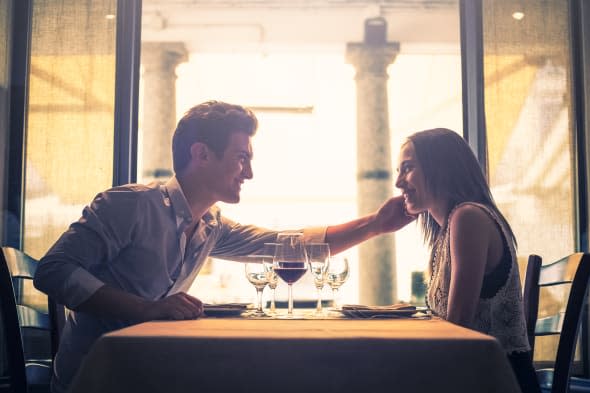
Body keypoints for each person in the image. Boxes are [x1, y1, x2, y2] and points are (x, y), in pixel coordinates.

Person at [33, 100, 412, 393]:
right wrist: (147, 309)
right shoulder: (128, 205)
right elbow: (53, 270)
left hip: (146, 371)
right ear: (201, 154)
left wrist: (376, 225)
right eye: (241, 158)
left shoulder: (211, 224)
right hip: (97, 380)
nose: (248, 173)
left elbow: (287, 244)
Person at [393, 128, 540, 393]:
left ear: (439, 167)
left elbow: (458, 325)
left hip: (496, 380)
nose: (399, 183)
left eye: (408, 168)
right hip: (476, 374)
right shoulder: (448, 229)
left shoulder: (468, 217)